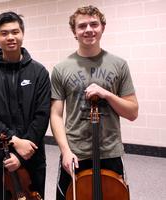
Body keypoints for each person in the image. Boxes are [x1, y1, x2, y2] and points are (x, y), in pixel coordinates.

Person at [50, 5, 139, 200]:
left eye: (94, 24)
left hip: (110, 151)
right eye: (82, 26)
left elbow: (132, 112)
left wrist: (107, 94)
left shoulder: (119, 64)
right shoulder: (60, 68)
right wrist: (65, 151)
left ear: (102, 28)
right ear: (74, 32)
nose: (88, 29)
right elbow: (56, 114)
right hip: (75, 153)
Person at [0, 11, 51, 200]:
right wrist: (15, 142)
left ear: (22, 33)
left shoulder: (39, 72)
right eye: (4, 33)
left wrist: (23, 153)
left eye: (15, 32)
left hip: (32, 155)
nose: (10, 37)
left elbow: (42, 115)